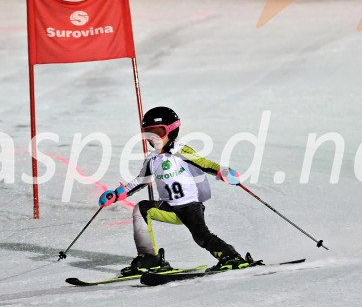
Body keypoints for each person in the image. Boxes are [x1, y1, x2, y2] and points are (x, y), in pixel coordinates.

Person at [99, 106, 252, 276]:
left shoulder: (181, 151)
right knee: (141, 209)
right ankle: (150, 258)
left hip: (190, 206)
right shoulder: (152, 159)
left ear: (171, 130)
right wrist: (117, 194)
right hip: (169, 208)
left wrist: (223, 172)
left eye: (158, 132)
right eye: (148, 134)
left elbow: (205, 164)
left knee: (200, 236)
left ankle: (231, 257)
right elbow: (141, 180)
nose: (153, 138)